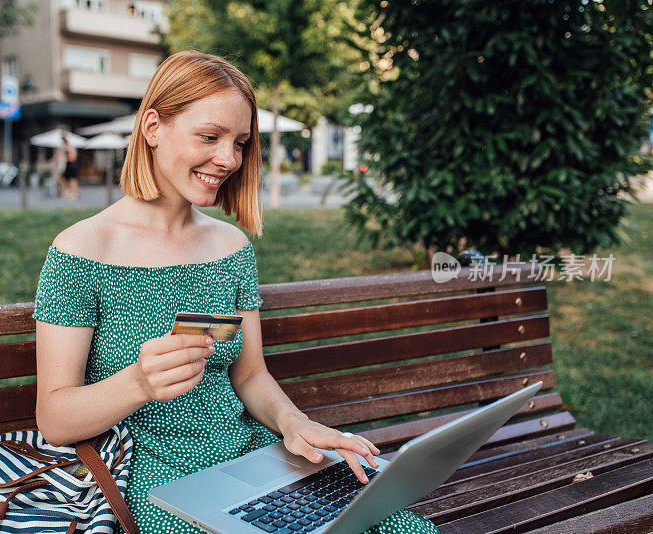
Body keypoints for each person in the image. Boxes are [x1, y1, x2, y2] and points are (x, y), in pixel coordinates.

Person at [32, 50, 438, 534]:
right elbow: (54, 419)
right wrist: (138, 383)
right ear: (153, 127)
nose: (228, 159)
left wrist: (292, 423)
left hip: (249, 460)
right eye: (210, 137)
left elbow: (250, 375)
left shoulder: (230, 246)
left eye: (240, 142)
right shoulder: (82, 250)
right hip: (153, 477)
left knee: (397, 527)